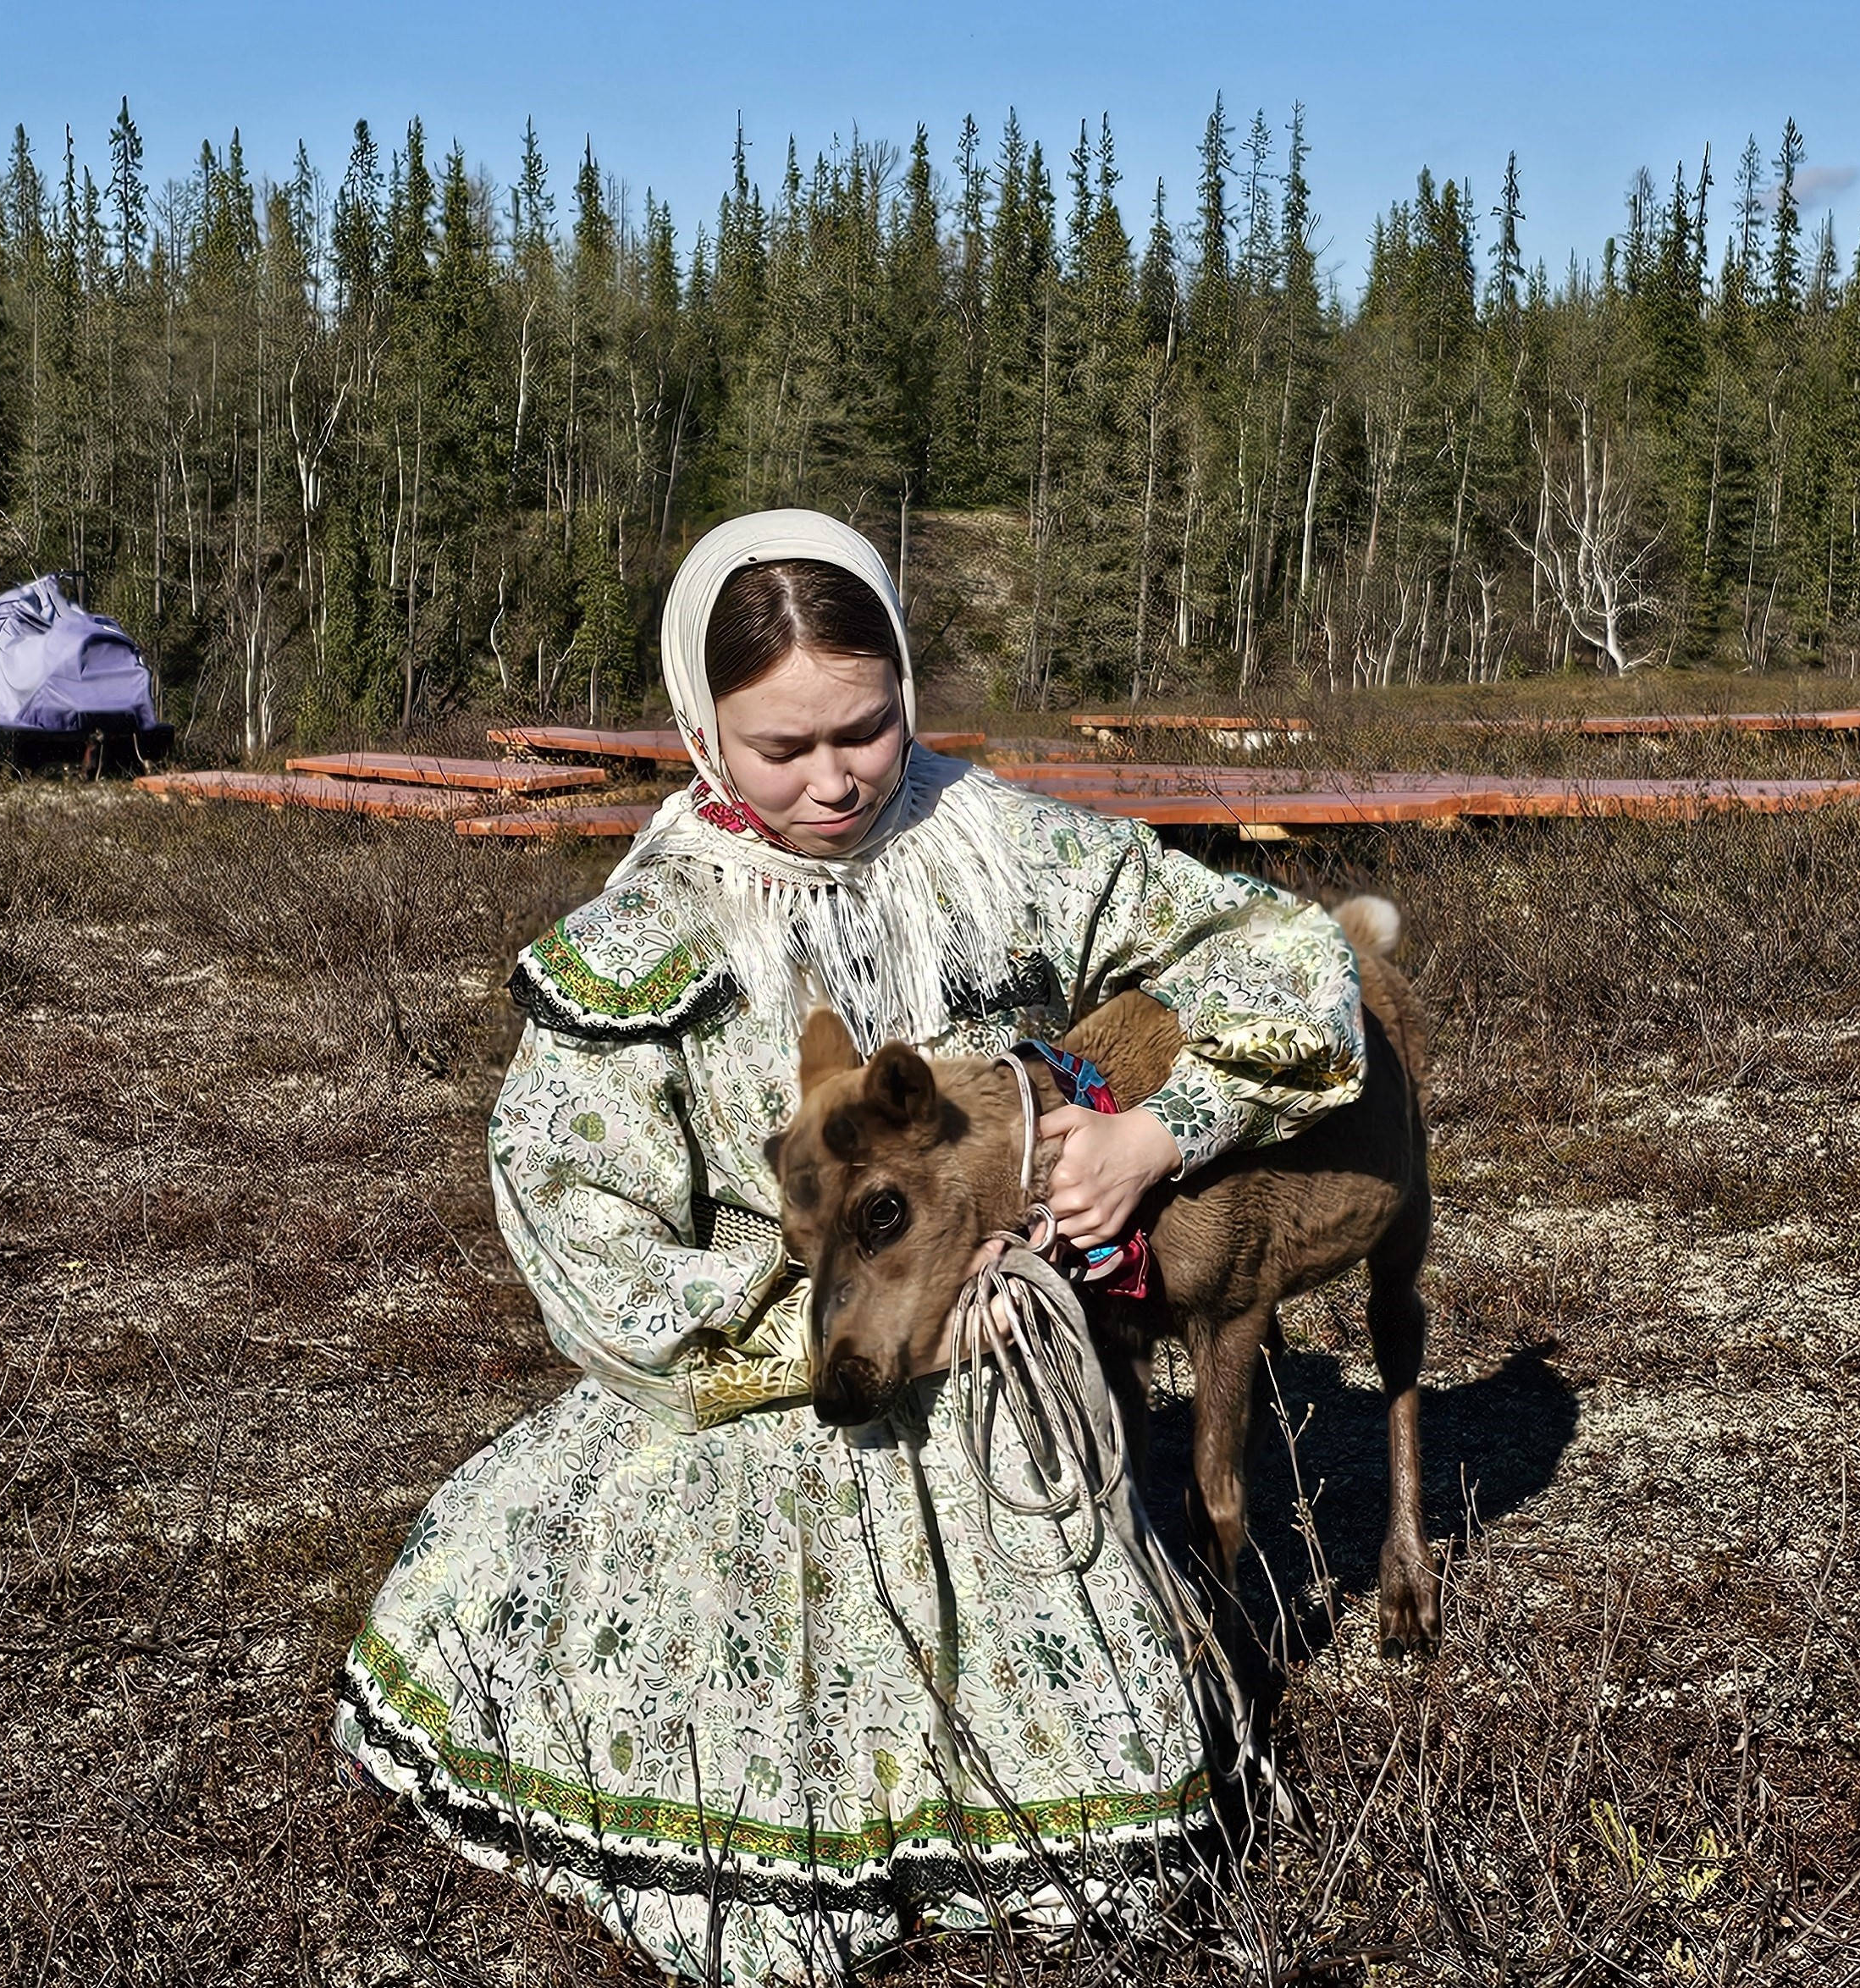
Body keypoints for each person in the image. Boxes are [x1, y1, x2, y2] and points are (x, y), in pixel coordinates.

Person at [334, 509, 1368, 1984]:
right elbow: (575, 1217)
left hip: (1012, 1382)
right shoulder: (656, 932)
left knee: (1115, 1814)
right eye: (780, 748)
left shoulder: (996, 842)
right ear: (700, 730)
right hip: (782, 1402)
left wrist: (1165, 1129)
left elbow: (1281, 948)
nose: (833, 780)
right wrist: (798, 1324)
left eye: (867, 730)